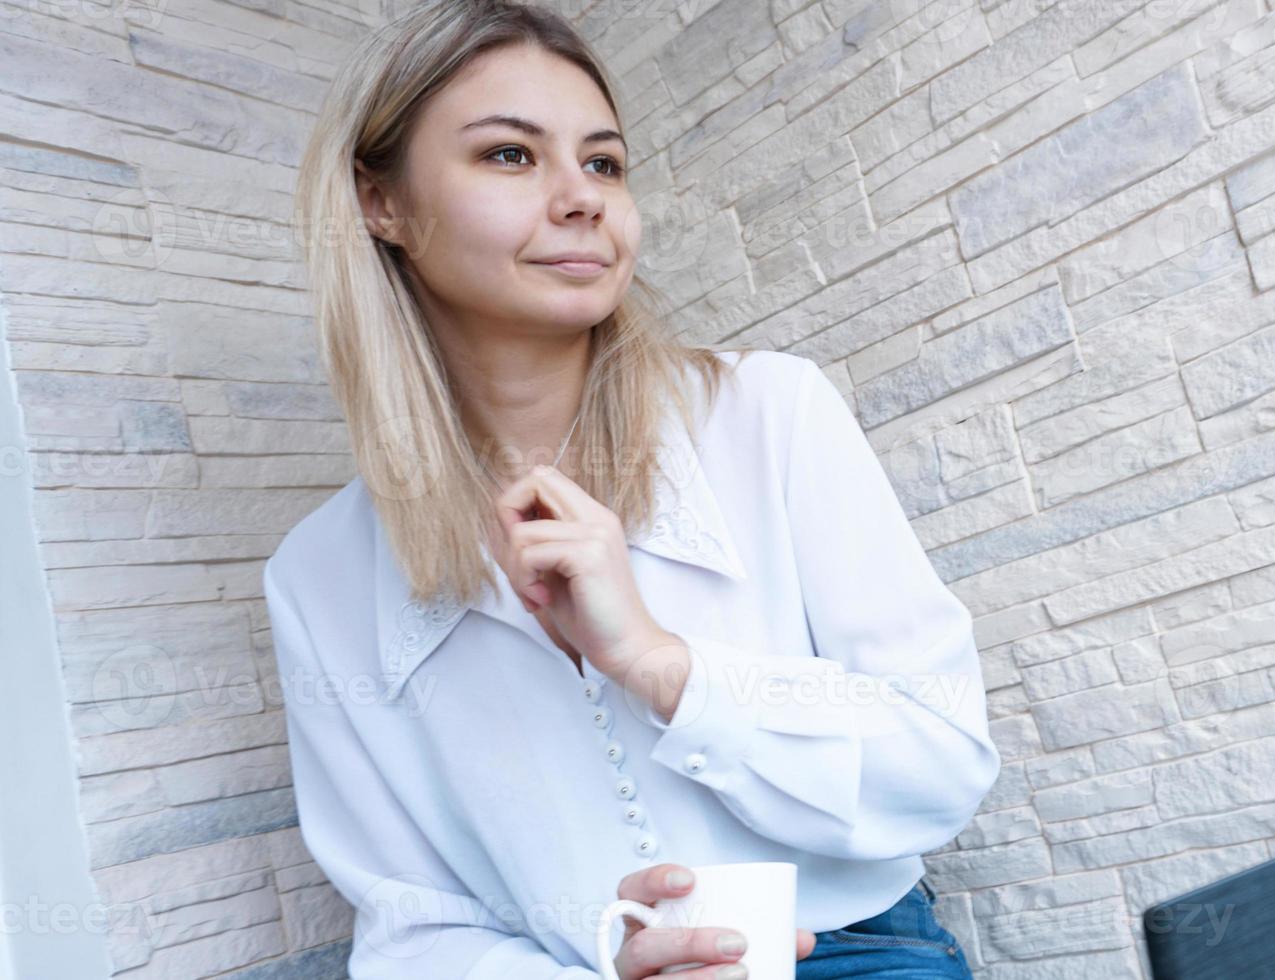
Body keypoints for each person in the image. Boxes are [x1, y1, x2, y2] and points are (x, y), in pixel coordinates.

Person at [266, 1, 1002, 977]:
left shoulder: (767, 410)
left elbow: (941, 759)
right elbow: (412, 924)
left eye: (603, 162)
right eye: (510, 156)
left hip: (849, 951)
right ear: (381, 202)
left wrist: (663, 666)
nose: (581, 198)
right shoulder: (316, 576)